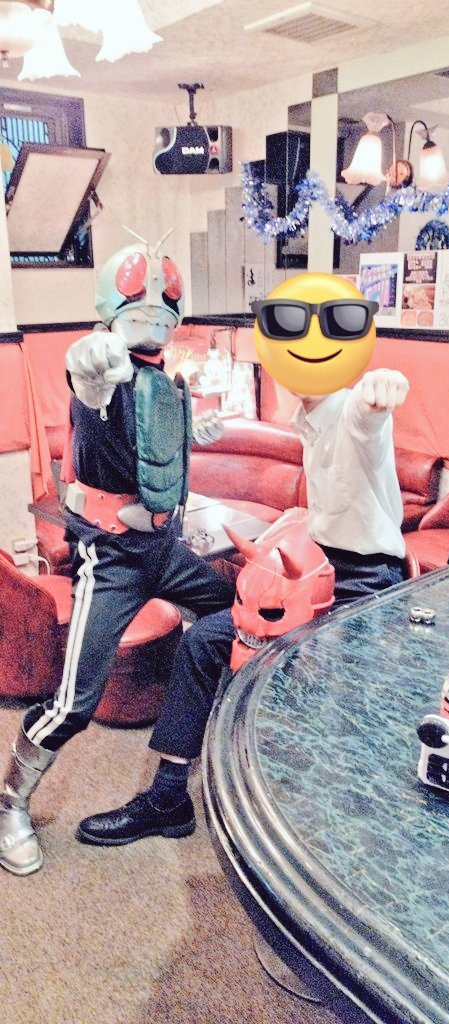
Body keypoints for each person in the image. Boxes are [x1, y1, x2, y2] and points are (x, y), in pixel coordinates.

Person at [75, 362, 410, 849]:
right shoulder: (308, 418)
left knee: (331, 689)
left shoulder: (350, 409)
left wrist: (379, 395)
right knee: (203, 641)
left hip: (366, 581)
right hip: (313, 567)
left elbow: (368, 422)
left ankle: (341, 828)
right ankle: (168, 798)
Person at [0, 240, 235, 877]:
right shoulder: (103, 371)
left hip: (166, 548)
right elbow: (91, 379)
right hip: (113, 559)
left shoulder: (166, 380)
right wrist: (87, 367)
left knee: (237, 617)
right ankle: (10, 802)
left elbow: (153, 451)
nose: (153, 306)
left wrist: (191, 434)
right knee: (75, 702)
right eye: (140, 296)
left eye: (164, 297)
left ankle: (174, 783)